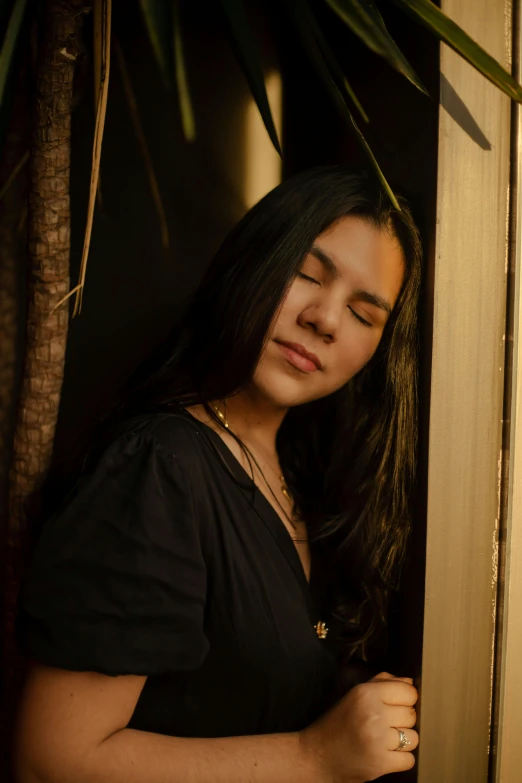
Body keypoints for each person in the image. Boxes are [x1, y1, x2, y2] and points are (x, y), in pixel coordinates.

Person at [14, 166, 422, 783]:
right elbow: (51, 763)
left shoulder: (304, 476)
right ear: (253, 263)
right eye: (308, 275)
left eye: (364, 316)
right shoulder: (160, 464)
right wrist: (314, 758)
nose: (327, 319)